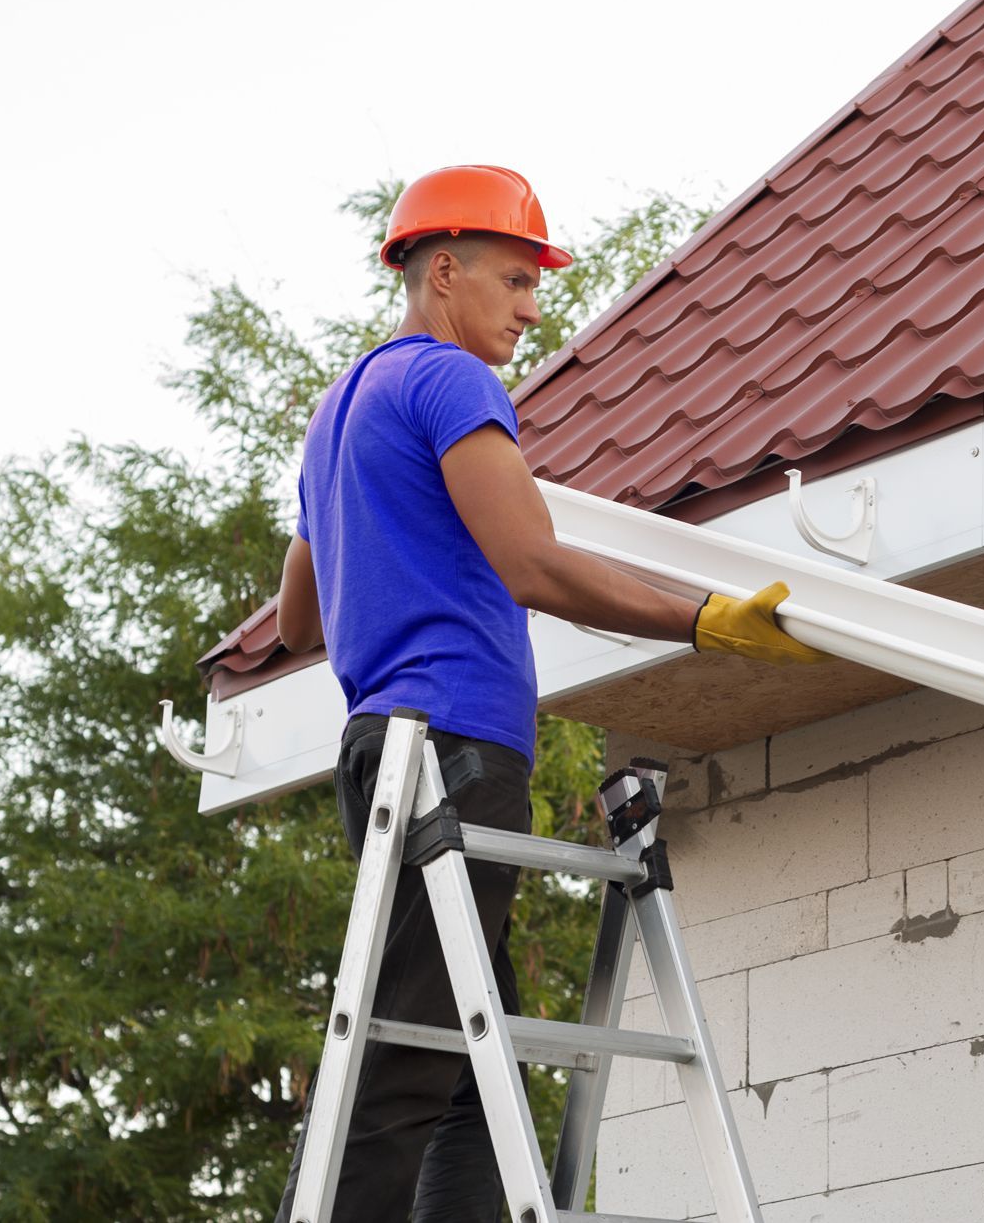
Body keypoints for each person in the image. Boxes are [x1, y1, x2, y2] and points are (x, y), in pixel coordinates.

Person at [270, 164, 828, 1221]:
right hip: (452, 751)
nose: (533, 306)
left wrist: (381, 546)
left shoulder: (337, 410)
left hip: (381, 755)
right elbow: (534, 563)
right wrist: (702, 615)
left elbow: (299, 623)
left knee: (469, 1083)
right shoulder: (448, 382)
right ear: (445, 272)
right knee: (397, 1068)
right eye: (516, 279)